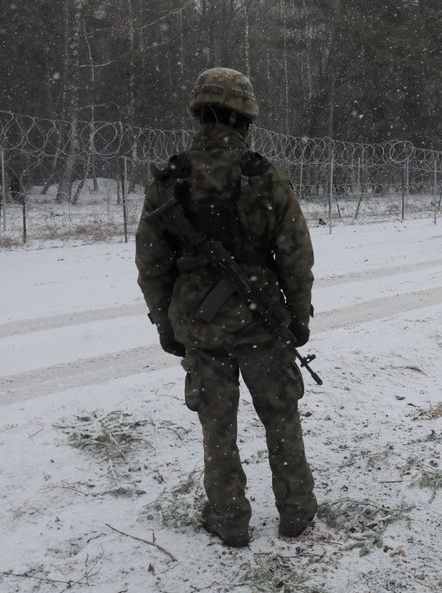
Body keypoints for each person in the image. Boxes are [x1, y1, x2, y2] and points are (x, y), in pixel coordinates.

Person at [135, 67, 317, 548]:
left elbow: (151, 265)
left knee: (218, 430)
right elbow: (297, 257)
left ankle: (230, 519)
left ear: (200, 113)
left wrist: (166, 324)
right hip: (261, 324)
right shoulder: (264, 175)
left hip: (200, 328)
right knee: (281, 418)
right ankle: (296, 511)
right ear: (246, 118)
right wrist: (297, 318)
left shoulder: (169, 178)